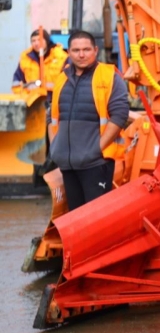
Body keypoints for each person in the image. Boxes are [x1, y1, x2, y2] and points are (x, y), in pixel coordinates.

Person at [49, 30, 129, 211]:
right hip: (68, 165)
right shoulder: (62, 79)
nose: (81, 54)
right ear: (68, 52)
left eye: (86, 49)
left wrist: (96, 150)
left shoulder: (109, 77)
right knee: (75, 217)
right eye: (76, 50)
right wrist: (55, 148)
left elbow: (119, 116)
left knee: (96, 218)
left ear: (95, 50)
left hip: (96, 164)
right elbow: (52, 116)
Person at [12, 29, 69, 96]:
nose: (36, 43)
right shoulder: (26, 59)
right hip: (32, 101)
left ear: (47, 41)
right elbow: (16, 82)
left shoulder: (61, 57)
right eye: (33, 41)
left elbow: (68, 82)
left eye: (39, 40)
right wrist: (24, 97)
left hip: (55, 101)